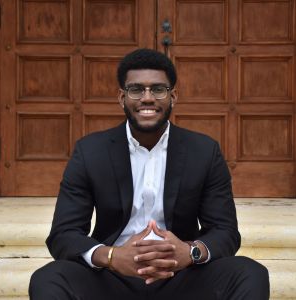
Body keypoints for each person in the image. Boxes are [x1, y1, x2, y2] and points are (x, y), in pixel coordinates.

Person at [29, 48, 269, 300]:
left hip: (181, 276)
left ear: (173, 96)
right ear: (122, 97)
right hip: (112, 277)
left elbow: (225, 231)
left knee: (250, 274)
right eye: (136, 90)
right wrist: (111, 256)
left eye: (158, 89)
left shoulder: (204, 151)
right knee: (49, 279)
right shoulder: (90, 152)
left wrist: (190, 253)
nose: (147, 98)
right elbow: (63, 234)